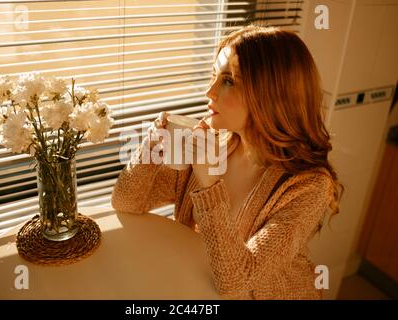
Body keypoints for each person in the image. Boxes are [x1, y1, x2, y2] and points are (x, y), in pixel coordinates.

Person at [111, 24, 343, 299]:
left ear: (270, 95)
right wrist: (150, 149)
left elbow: (237, 279)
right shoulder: (213, 146)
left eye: (229, 80)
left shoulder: (309, 187)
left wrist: (210, 185)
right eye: (213, 76)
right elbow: (126, 201)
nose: (210, 91)